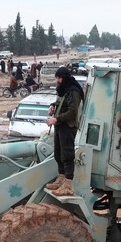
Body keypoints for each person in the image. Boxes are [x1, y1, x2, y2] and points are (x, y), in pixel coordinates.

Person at [45, 67, 84, 197]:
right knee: (58, 154)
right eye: (57, 78)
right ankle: (61, 178)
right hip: (60, 126)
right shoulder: (65, 90)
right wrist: (52, 105)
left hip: (68, 127)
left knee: (67, 155)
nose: (58, 80)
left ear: (65, 78)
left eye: (60, 78)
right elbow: (60, 102)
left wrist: (56, 119)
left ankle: (68, 183)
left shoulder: (73, 92)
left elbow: (72, 112)